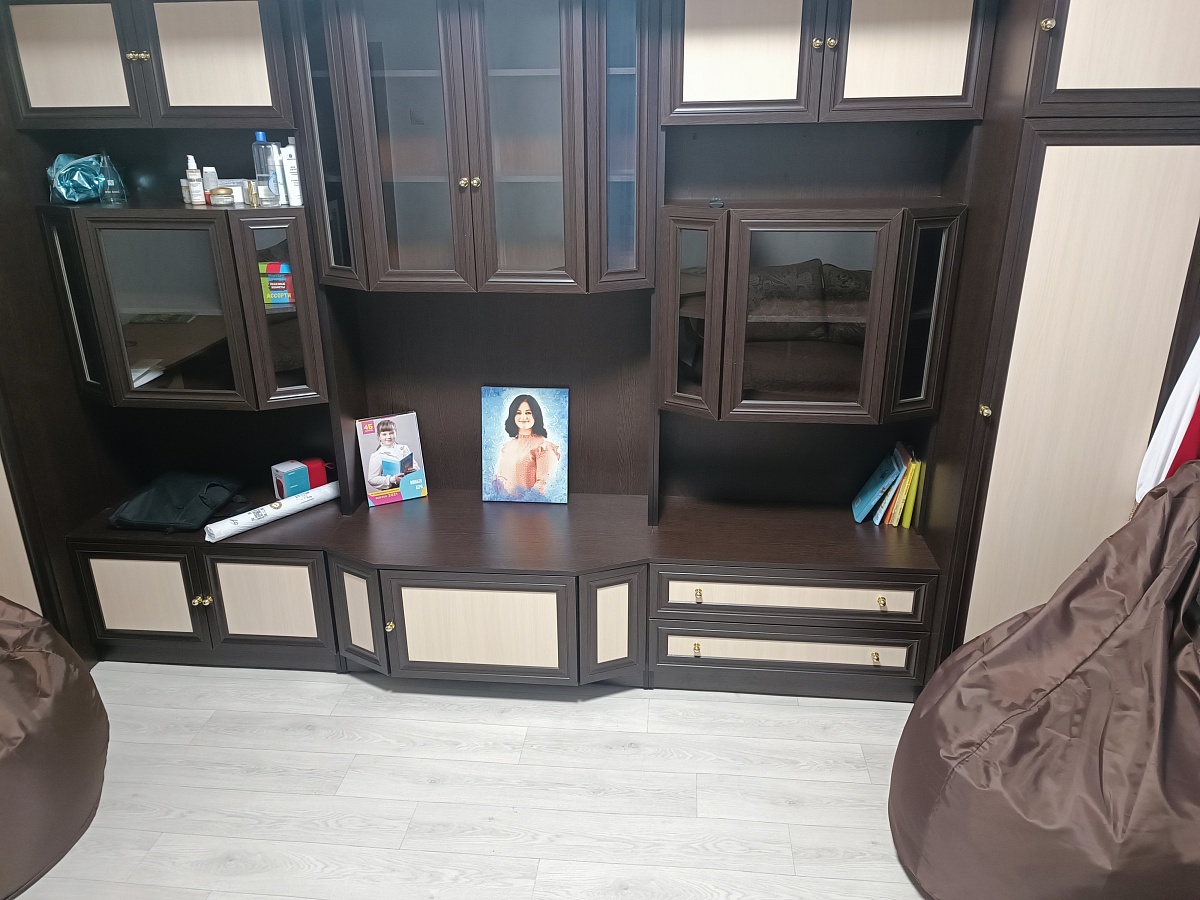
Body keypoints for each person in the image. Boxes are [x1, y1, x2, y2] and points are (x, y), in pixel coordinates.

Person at [493, 394, 560, 497]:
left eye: (528, 413)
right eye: (518, 413)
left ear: (535, 415)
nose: (523, 417)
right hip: (503, 504)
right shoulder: (507, 447)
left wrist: (523, 502)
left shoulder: (543, 447)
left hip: (529, 505)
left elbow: (543, 485)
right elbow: (498, 480)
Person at [366, 419, 415, 490]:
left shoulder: (404, 448)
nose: (388, 437)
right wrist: (392, 479)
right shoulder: (377, 455)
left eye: (391, 433)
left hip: (410, 486)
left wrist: (413, 469)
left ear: (396, 433)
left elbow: (416, 466)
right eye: (384, 434)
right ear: (379, 436)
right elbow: (372, 479)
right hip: (392, 491)